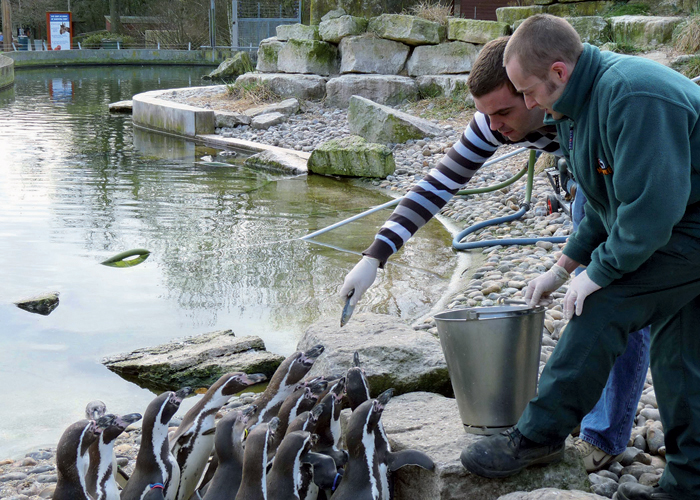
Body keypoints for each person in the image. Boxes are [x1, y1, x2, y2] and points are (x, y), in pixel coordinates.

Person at [339, 36, 650, 474]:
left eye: (504, 112)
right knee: (592, 289)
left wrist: (598, 266)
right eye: (486, 115)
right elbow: (438, 185)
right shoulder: (494, 120)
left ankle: (605, 434)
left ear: (534, 90)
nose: (494, 127)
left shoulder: (594, 101)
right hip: (590, 179)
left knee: (622, 291)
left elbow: (639, 203)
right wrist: (374, 257)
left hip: (630, 174)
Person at [460, 14, 700, 500]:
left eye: (527, 92)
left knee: (602, 304)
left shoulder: (632, 96)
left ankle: (538, 435)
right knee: (681, 361)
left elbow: (650, 214)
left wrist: (600, 274)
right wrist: (562, 267)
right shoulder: (573, 110)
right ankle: (687, 487)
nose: (527, 105)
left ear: (559, 71)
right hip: (681, 220)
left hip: (684, 225)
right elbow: (603, 203)